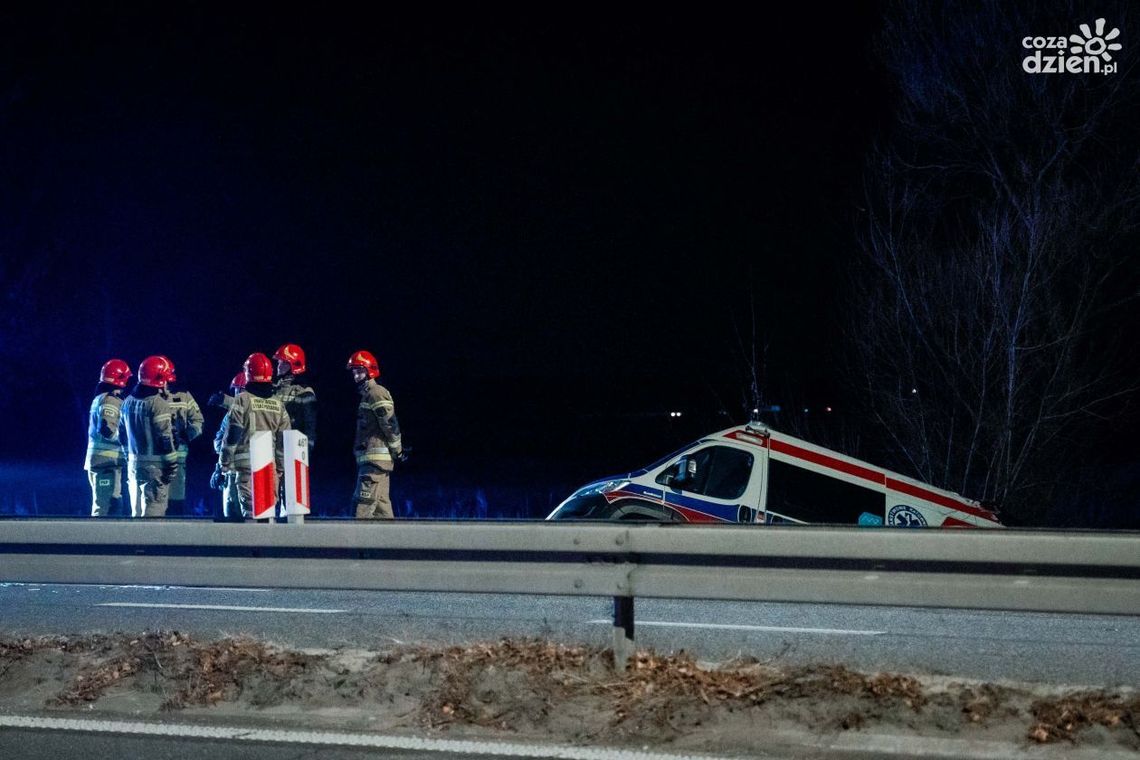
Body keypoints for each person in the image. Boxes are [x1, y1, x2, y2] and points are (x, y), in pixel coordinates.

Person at [218, 353, 291, 520]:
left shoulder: (242, 400)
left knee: (252, 518)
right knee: (268, 516)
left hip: (246, 467)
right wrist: (279, 468)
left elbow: (232, 435)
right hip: (270, 469)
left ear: (248, 373)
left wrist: (224, 462)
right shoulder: (279, 405)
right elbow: (283, 441)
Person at [347, 350, 406, 519]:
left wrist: (398, 450)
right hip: (374, 463)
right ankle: (391, 545)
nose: (355, 375)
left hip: (374, 464)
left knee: (361, 511)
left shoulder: (376, 392)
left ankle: (357, 545)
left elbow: (390, 424)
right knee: (382, 512)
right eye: (354, 371)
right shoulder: (367, 395)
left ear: (369, 370)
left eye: (359, 370)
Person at [121, 355, 179, 517]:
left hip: (134, 467)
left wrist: (128, 457)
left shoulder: (127, 402)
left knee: (136, 514)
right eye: (166, 380)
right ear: (160, 380)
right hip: (155, 470)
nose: (168, 384)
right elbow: (165, 439)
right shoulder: (158, 404)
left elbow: (122, 435)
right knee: (154, 517)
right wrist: (172, 467)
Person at [84, 359, 132, 517]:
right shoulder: (110, 400)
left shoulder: (100, 398)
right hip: (105, 463)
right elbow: (107, 430)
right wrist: (127, 437)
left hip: (104, 463)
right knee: (106, 508)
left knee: (112, 504)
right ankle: (99, 541)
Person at [162, 357, 204, 517]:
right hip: (154, 460)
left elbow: (198, 421)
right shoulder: (150, 397)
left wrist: (187, 435)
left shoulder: (185, 396)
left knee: (176, 501)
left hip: (178, 459)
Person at [210, 371, 247, 521]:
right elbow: (220, 441)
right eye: (236, 390)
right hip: (231, 473)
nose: (237, 393)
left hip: (242, 473)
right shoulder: (230, 415)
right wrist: (219, 469)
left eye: (240, 390)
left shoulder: (251, 410)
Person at [272, 343, 317, 451]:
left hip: (292, 448)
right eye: (278, 362)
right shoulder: (272, 390)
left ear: (293, 365)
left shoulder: (304, 392)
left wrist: (306, 451)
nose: (278, 366)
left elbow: (310, 425)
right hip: (272, 448)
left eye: (282, 362)